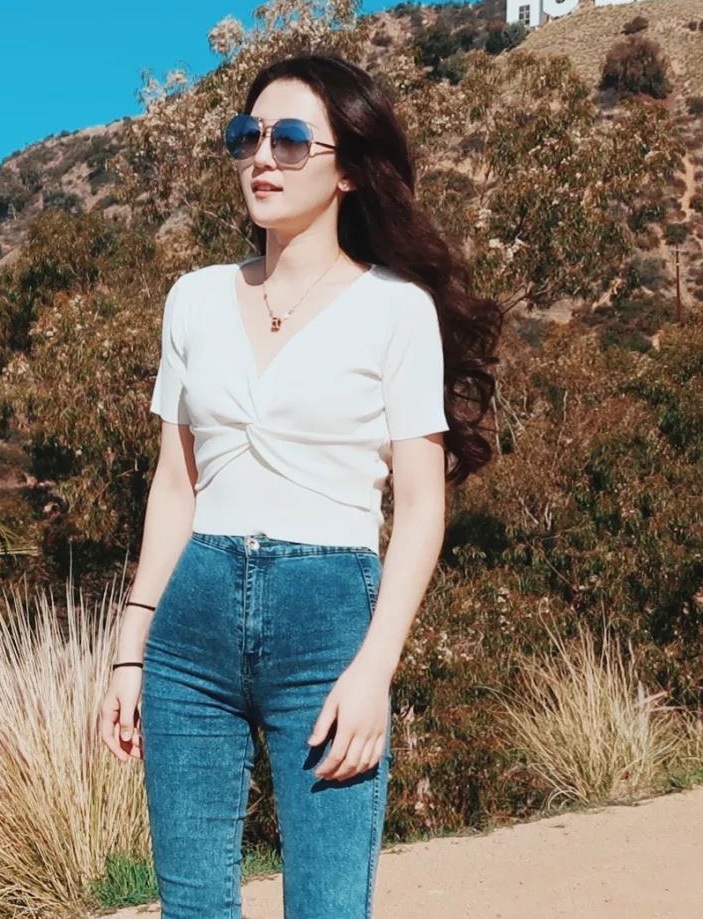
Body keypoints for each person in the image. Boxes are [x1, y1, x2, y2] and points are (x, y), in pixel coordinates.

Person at [99, 50, 502, 919]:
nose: (262, 158)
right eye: (246, 136)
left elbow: (421, 507)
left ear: (348, 169)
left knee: (327, 907)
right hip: (191, 621)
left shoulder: (396, 308)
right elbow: (175, 485)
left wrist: (375, 668)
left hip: (327, 623)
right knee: (193, 909)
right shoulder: (194, 299)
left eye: (289, 140)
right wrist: (132, 645)